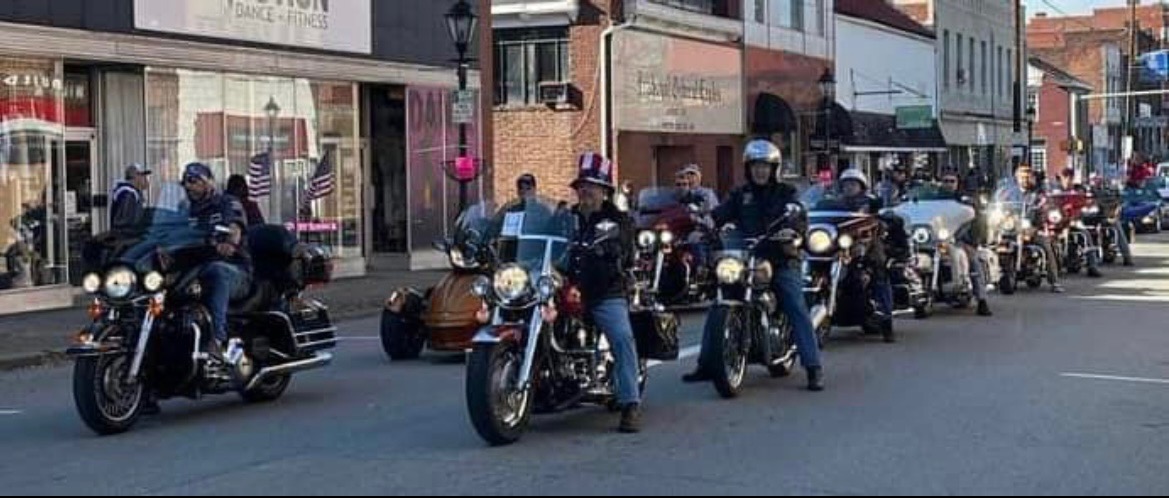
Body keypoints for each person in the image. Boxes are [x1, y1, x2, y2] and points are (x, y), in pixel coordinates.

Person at [682, 140, 824, 391]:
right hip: (746, 258)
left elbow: (798, 216)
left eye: (765, 166)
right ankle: (706, 364)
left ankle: (813, 366)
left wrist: (793, 230)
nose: (760, 171)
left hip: (779, 258)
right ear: (748, 168)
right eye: (756, 166)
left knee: (794, 303)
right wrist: (704, 225)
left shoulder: (785, 193)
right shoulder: (741, 194)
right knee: (720, 301)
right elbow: (720, 214)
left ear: (774, 169)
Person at [566, 152, 643, 433]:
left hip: (603, 290)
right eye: (582, 185)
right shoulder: (567, 217)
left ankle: (630, 402)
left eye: (592, 185)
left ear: (605, 190)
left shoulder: (617, 220)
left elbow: (625, 248)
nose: (585, 190)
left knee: (621, 337)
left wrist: (612, 250)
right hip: (565, 287)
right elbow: (544, 238)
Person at [181, 163, 253, 355]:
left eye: (193, 181)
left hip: (235, 269)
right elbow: (170, 232)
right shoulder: (184, 209)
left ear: (208, 182)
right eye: (185, 182)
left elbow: (235, 228)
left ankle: (217, 340)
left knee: (217, 271)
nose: (188, 186)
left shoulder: (227, 203)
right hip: (196, 268)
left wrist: (229, 242)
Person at [836, 169, 897, 340]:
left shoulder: (870, 202)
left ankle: (886, 319)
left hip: (867, 242)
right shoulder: (835, 203)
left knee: (878, 270)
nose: (849, 187)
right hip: (840, 243)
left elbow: (880, 219)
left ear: (861, 186)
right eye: (846, 184)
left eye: (853, 184)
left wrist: (880, 214)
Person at [938, 173, 995, 315]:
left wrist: (973, 241)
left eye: (952, 181)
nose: (948, 184)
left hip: (960, 239)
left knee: (973, 261)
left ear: (958, 183)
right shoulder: (935, 199)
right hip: (936, 238)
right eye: (945, 181)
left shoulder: (964, 200)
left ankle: (982, 300)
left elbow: (975, 221)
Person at [1015, 165, 1065, 293]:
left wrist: (1043, 209)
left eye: (1027, 177)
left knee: (1046, 246)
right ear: (1017, 178)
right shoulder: (1010, 193)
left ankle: (1054, 281)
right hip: (1011, 228)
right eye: (1022, 177)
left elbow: (1045, 206)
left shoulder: (1037, 194)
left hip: (1032, 228)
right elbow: (1000, 204)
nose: (1025, 180)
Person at [110, 163, 151, 230]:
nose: (146, 179)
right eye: (143, 175)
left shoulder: (133, 192)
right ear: (136, 176)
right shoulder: (128, 193)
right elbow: (125, 222)